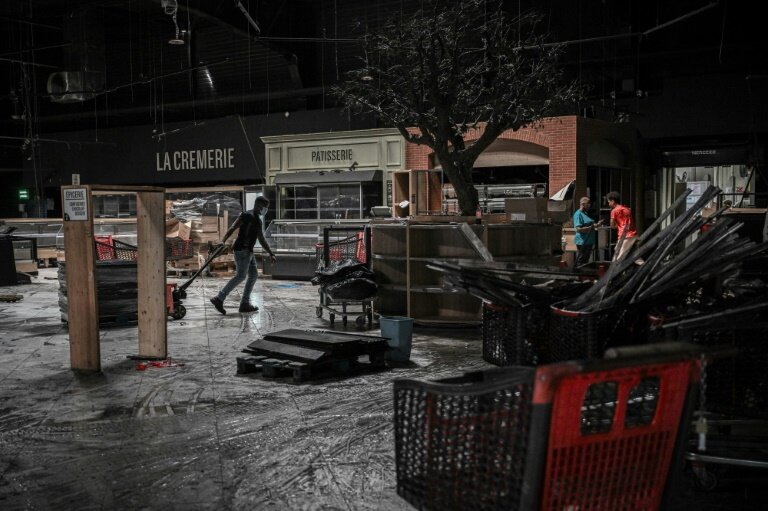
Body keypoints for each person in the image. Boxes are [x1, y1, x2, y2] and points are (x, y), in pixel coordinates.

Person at [210, 196, 277, 315]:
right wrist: (223, 240)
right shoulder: (246, 215)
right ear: (259, 206)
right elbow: (233, 227)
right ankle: (219, 298)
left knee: (253, 275)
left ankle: (244, 303)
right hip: (242, 250)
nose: (265, 210)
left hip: (248, 251)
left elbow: (261, 238)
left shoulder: (257, 219)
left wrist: (270, 253)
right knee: (241, 276)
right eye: (265, 208)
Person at [606, 191, 637, 261]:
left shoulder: (614, 211)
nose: (608, 204)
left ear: (613, 201)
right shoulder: (627, 209)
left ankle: (614, 271)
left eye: (609, 202)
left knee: (618, 258)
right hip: (632, 234)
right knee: (632, 255)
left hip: (625, 236)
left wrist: (617, 226)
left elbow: (612, 225)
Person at [573, 196, 603, 267]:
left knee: (586, 260)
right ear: (583, 204)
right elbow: (578, 229)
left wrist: (597, 224)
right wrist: (591, 227)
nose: (589, 205)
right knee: (581, 259)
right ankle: (579, 274)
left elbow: (590, 224)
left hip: (589, 241)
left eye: (590, 203)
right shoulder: (578, 214)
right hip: (582, 241)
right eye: (588, 203)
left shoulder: (585, 213)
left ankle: (583, 274)